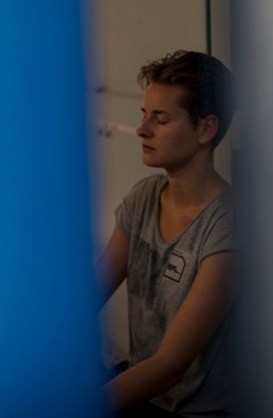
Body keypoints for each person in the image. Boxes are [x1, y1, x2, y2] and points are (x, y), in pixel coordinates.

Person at [95, 50, 239, 416]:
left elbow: (170, 366)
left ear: (206, 129)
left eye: (160, 119)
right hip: (144, 394)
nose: (142, 129)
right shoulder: (144, 198)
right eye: (144, 115)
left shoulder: (228, 227)